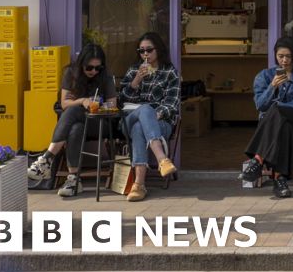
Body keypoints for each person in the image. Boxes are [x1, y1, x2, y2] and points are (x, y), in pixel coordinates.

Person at [27, 43, 118, 197]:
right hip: (76, 122)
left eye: (98, 68)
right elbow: (64, 103)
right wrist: (82, 101)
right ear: (81, 63)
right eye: (89, 68)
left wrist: (96, 104)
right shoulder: (71, 73)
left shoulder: (106, 77)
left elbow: (112, 104)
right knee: (75, 127)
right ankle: (74, 180)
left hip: (98, 123)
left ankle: (47, 159)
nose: (93, 71)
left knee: (73, 111)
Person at [239, 36, 293, 198]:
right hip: (277, 126)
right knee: (283, 127)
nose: (284, 60)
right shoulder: (264, 77)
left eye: (288, 56)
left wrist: (279, 107)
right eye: (280, 56)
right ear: (275, 56)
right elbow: (260, 105)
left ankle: (257, 159)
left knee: (277, 112)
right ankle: (279, 180)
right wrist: (272, 87)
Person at [119, 32, 180, 202]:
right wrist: (136, 81)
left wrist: (155, 115)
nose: (145, 54)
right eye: (141, 51)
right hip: (129, 119)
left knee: (141, 125)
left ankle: (139, 184)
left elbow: (172, 104)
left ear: (158, 50)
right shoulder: (133, 70)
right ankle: (162, 159)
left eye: (149, 50)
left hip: (160, 122)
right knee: (144, 111)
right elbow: (120, 100)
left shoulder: (169, 72)